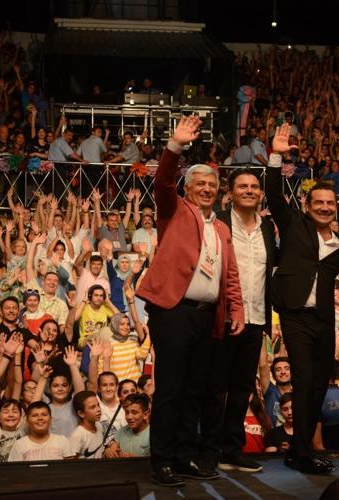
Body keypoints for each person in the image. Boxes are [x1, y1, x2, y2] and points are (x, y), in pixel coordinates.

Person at [136, 115, 244, 487]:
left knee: (194, 390)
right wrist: (176, 145)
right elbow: (163, 181)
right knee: (170, 388)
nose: (207, 188)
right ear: (188, 187)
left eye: (212, 184)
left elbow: (230, 275)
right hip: (173, 311)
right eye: (200, 183)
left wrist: (236, 309)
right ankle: (162, 460)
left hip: (206, 316)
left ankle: (183, 456)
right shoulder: (175, 210)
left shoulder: (223, 227)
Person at [265, 123, 339, 474]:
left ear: (336, 208)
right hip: (295, 316)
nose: (325, 208)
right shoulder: (294, 224)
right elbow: (273, 193)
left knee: (317, 385)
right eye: (319, 203)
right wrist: (276, 155)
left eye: (330, 204)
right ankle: (302, 453)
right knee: (303, 380)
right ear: (307, 204)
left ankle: (300, 450)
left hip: (324, 322)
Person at [200, 167, 277, 474]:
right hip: (223, 318)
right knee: (214, 388)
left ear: (261, 193)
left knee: (242, 388)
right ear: (230, 193)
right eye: (242, 186)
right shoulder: (217, 222)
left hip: (255, 318)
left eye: (254, 187)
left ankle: (232, 450)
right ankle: (208, 451)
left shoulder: (267, 227)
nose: (249, 191)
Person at [8, 401, 75, 461]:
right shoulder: (19, 445)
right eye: (35, 415)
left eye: (44, 415)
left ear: (51, 419)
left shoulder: (62, 441)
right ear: (27, 421)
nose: (40, 418)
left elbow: (71, 468)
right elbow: (14, 470)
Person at [105, 393, 151, 458]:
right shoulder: (121, 432)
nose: (129, 417)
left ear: (146, 414)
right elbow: (112, 449)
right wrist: (108, 451)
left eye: (134, 412)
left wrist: (132, 459)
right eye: (127, 412)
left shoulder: (153, 435)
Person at [68, 390, 105, 459]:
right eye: (93, 407)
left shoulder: (99, 426)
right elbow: (71, 462)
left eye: (98, 405)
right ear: (81, 414)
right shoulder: (77, 435)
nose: (98, 409)